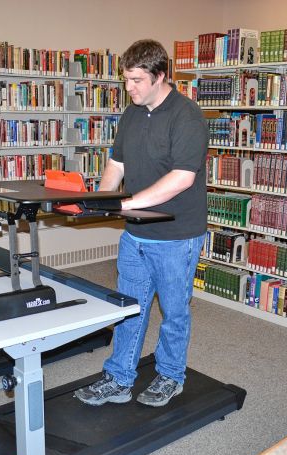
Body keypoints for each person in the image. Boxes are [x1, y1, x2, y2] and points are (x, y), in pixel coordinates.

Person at [74, 39, 208, 407]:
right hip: (135, 235)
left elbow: (182, 177)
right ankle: (119, 378)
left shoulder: (187, 115)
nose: (128, 87)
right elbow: (117, 165)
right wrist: (102, 200)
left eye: (136, 80)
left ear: (160, 76)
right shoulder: (132, 113)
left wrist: (126, 202)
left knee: (174, 314)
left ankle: (170, 376)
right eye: (126, 80)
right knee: (129, 308)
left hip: (177, 236)